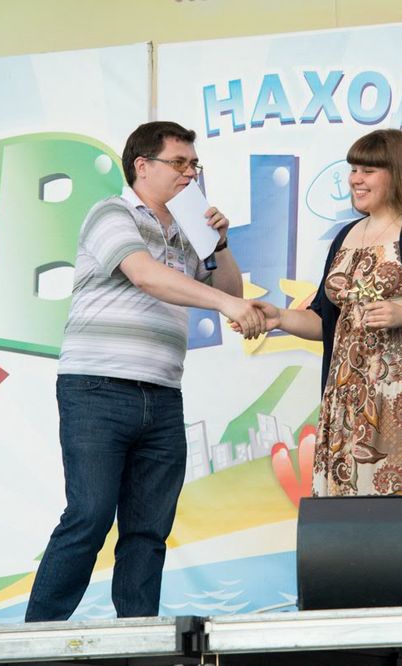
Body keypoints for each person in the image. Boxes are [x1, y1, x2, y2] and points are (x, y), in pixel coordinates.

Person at [25, 121, 265, 621]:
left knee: (148, 528)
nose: (190, 174)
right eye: (179, 163)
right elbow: (145, 275)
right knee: (89, 515)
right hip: (97, 388)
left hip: (162, 394)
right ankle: (33, 639)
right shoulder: (111, 212)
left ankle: (140, 639)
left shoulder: (188, 229)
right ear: (142, 166)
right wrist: (225, 305)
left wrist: (218, 244)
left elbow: (232, 291)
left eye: (194, 164)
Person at [250, 129, 402, 496]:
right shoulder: (345, 236)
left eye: (368, 170)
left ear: (397, 174)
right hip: (348, 404)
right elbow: (328, 322)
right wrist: (280, 318)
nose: (355, 179)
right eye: (353, 169)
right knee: (356, 513)